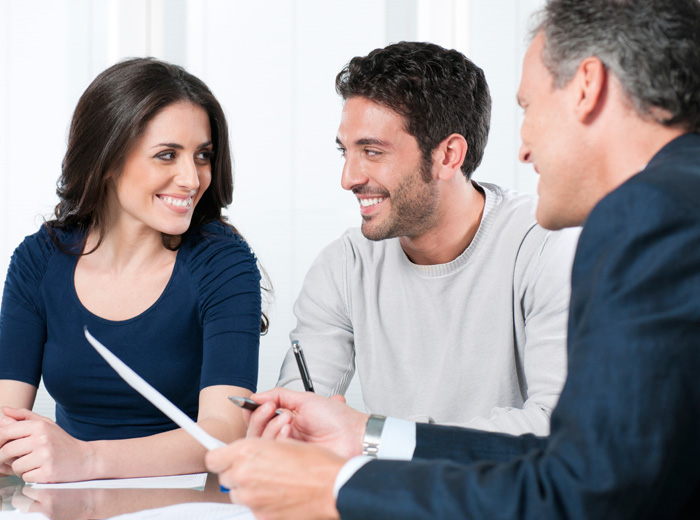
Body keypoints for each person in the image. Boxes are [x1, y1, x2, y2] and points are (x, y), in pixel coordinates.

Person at [205, 0, 700, 518]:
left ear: (587, 85)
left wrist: (342, 487)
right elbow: (580, 464)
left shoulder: (647, 215)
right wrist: (365, 434)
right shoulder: (671, 203)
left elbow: (582, 489)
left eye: (528, 108)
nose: (523, 148)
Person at [277, 41, 579, 434]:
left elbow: (558, 422)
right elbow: (297, 419)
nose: (348, 178)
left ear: (448, 155)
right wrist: (288, 427)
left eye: (372, 151)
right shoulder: (345, 265)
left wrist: (375, 437)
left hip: (502, 494)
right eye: (345, 152)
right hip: (387, 491)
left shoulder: (545, 246)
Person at [0, 57, 266, 483]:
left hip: (189, 500)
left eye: (202, 156)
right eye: (166, 155)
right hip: (65, 497)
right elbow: (5, 412)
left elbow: (226, 432)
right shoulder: (40, 259)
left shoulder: (223, 262)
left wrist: (85, 460)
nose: (192, 178)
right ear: (107, 161)